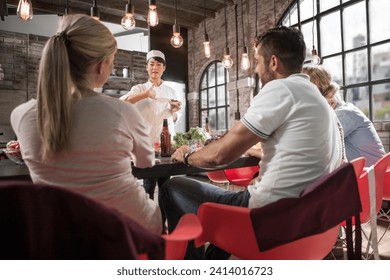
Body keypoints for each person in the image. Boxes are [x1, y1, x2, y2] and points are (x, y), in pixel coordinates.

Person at [161, 26, 344, 259]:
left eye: (257, 61)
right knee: (223, 226)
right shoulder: (316, 96)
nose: (256, 69)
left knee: (172, 187)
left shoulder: (280, 88)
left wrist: (187, 155)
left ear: (274, 62)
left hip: (268, 218)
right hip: (309, 222)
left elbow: (221, 155)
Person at [10, 14, 162, 234]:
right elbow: (146, 163)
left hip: (62, 238)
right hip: (129, 232)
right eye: (112, 61)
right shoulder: (122, 111)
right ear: (101, 65)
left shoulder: (20, 115)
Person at [120, 50, 182, 227]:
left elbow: (174, 117)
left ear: (164, 68)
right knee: (148, 187)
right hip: (146, 145)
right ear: (147, 68)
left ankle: (162, 224)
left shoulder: (171, 90)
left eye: (158, 64)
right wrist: (146, 94)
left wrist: (176, 110)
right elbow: (124, 102)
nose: (155, 67)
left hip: (166, 146)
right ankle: (147, 226)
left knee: (165, 188)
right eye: (152, 64)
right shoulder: (138, 89)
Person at [302, 65, 386, 166]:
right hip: (368, 175)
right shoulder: (342, 111)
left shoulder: (344, 114)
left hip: (372, 178)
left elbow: (314, 144)